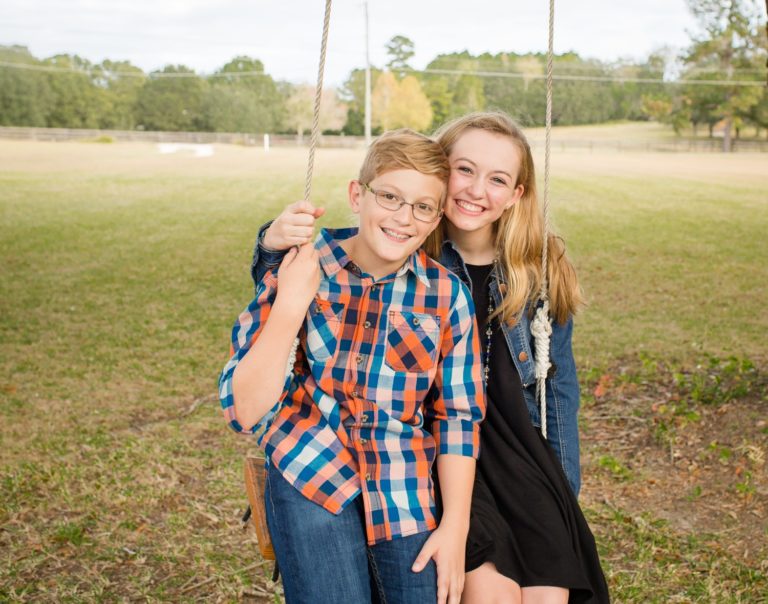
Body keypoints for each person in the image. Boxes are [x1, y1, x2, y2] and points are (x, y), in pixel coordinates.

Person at [253, 112, 610, 603]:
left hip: (520, 463)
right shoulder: (410, 248)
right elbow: (324, 268)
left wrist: (562, 494)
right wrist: (270, 246)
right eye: (464, 170)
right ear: (441, 173)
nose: (476, 190)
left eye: (498, 179)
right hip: (441, 459)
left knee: (550, 596)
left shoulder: (539, 270)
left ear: (517, 194)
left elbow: (559, 391)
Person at [219, 129, 486, 604]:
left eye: (423, 206)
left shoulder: (446, 296)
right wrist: (290, 304)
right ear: (357, 195)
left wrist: (455, 527)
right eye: (390, 197)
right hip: (310, 469)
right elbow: (245, 409)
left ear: (437, 215)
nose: (404, 218)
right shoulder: (304, 265)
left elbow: (459, 418)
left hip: (401, 488)